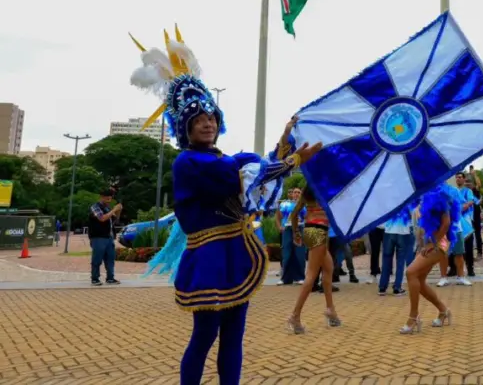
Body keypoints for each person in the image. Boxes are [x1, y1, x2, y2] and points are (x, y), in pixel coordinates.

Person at [132, 31, 321, 385]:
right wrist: (292, 160)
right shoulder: (188, 162)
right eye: (199, 119)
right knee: (204, 336)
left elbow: (256, 171)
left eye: (212, 118)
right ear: (185, 127)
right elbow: (238, 178)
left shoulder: (227, 159)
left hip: (235, 253)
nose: (208, 123)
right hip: (209, 258)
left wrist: (284, 143)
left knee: (234, 336)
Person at [400, 185, 456, 334]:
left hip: (439, 243)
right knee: (419, 281)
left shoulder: (440, 195)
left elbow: (446, 223)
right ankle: (443, 311)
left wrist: (433, 243)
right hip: (427, 244)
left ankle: (413, 317)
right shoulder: (421, 195)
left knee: (411, 272)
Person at [288, 186, 342, 333]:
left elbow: (294, 214)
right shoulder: (325, 187)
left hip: (310, 229)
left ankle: (331, 310)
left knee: (328, 267)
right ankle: (295, 316)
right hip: (319, 231)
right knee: (311, 275)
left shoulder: (309, 189)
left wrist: (296, 233)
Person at [439, 172, 475, 286]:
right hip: (441, 227)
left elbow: (462, 205)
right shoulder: (434, 192)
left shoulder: (454, 190)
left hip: (455, 226)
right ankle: (443, 277)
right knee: (443, 253)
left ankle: (461, 277)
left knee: (459, 253)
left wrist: (454, 209)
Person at [379, 201, 416, 296]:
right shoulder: (409, 200)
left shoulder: (389, 200)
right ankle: (397, 287)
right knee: (400, 261)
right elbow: (414, 215)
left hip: (389, 231)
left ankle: (382, 287)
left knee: (386, 260)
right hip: (403, 232)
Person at [89, 188, 122, 286]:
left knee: (110, 259)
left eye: (110, 197)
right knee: (97, 258)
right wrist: (114, 209)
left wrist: (119, 210)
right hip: (98, 237)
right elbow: (102, 218)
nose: (109, 199)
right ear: (101, 197)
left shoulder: (108, 208)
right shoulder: (95, 207)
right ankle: (95, 278)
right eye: (107, 197)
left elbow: (115, 219)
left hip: (109, 237)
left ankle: (110, 278)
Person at [276, 187, 306, 285]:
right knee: (287, 253)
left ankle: (300, 277)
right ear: (292, 194)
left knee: (300, 254)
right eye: (295, 192)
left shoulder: (304, 204)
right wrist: (279, 226)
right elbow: (278, 216)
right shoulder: (285, 204)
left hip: (300, 228)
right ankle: (286, 279)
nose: (296, 194)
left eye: (298, 192)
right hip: (287, 229)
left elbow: (307, 217)